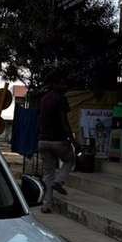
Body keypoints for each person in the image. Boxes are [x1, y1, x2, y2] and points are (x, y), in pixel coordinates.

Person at [38, 74, 75, 214]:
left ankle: (46, 205)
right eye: (63, 84)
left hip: (42, 141)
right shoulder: (60, 99)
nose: (66, 87)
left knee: (48, 174)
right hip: (58, 141)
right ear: (55, 84)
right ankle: (59, 181)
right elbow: (64, 121)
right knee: (70, 159)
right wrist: (72, 140)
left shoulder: (44, 99)